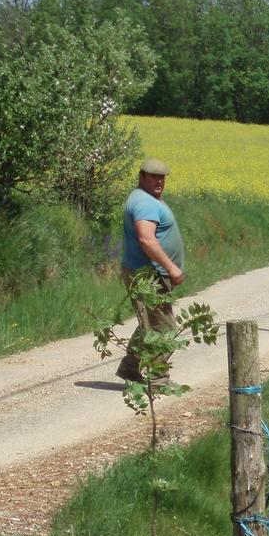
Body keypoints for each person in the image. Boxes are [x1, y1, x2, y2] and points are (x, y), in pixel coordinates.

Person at [116, 157, 185, 386]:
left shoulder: (145, 199)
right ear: (142, 176)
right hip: (147, 275)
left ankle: (130, 367)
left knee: (149, 323)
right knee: (163, 328)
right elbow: (146, 240)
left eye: (162, 177)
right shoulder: (145, 203)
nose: (159, 181)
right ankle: (158, 378)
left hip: (147, 273)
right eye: (154, 176)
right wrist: (171, 267)